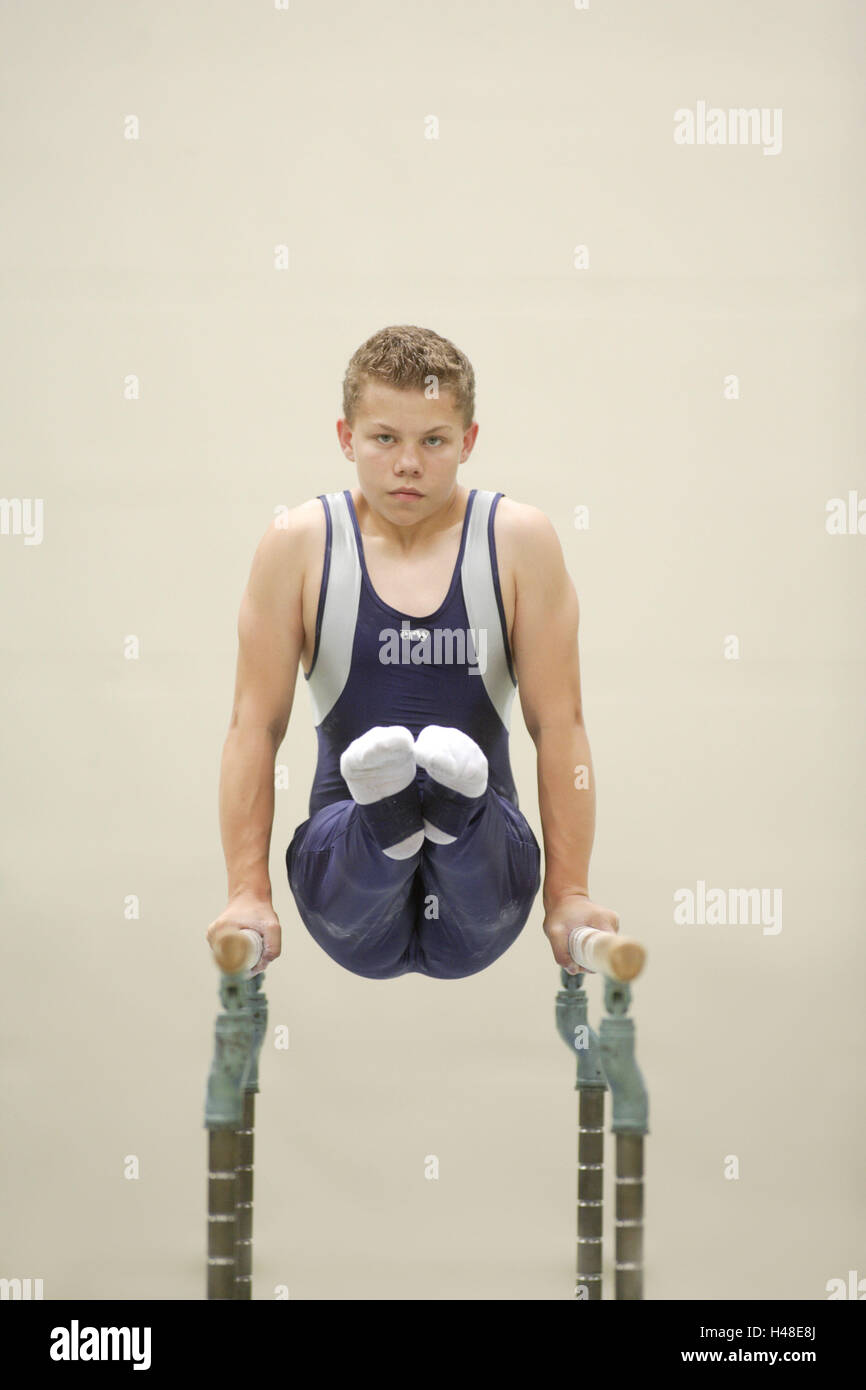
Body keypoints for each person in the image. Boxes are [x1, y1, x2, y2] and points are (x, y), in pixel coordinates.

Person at [206, 325, 619, 979]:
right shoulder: (298, 545)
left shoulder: (519, 541)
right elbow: (253, 727)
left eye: (433, 440)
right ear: (346, 438)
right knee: (349, 841)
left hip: (487, 890)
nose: (407, 464)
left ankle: (447, 809)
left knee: (480, 841)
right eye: (383, 439)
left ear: (468, 441)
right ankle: (389, 818)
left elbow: (559, 725)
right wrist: (247, 893)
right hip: (346, 890)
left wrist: (568, 893)